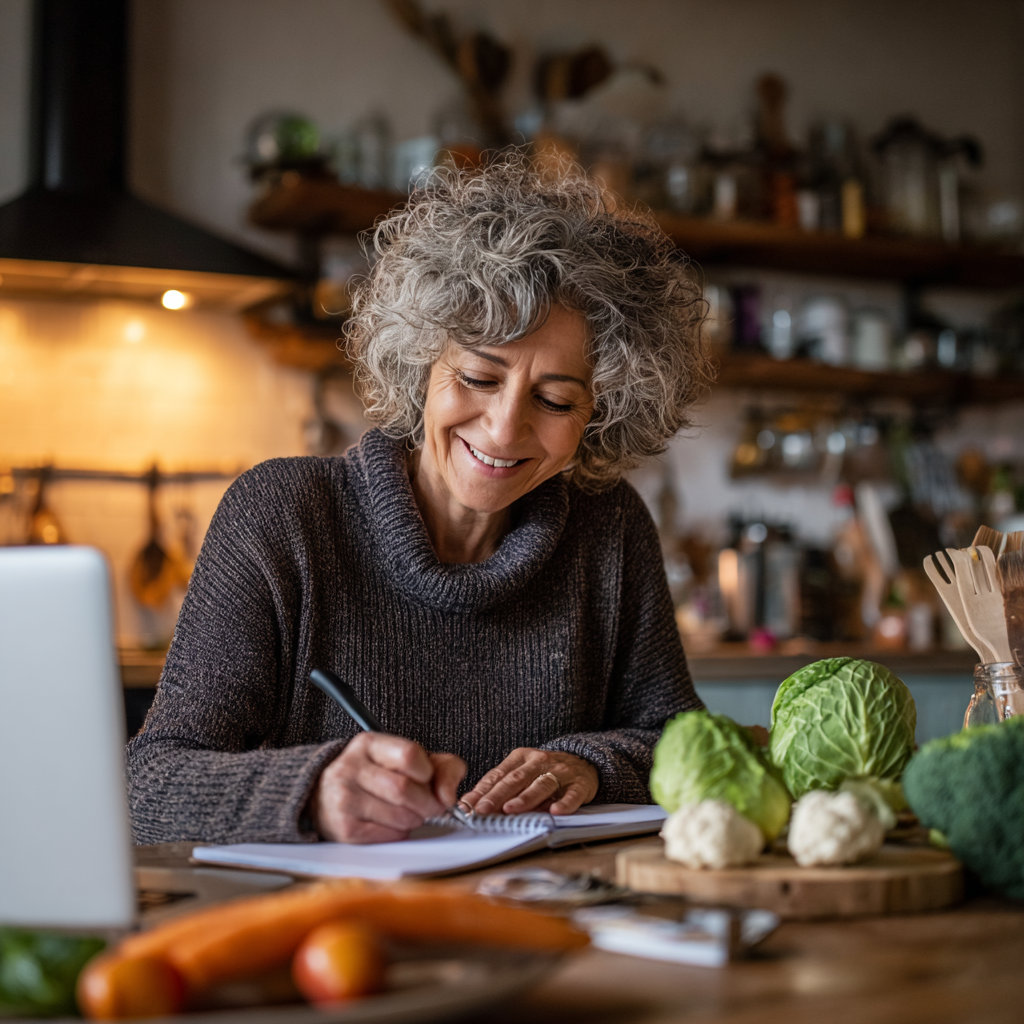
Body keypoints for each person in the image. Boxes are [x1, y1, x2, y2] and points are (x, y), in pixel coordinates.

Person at [127, 155, 711, 845]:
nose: (503, 429)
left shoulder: (609, 528)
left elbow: (682, 746)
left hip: (546, 922)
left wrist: (589, 764)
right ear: (421, 363)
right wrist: (314, 792)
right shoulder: (281, 516)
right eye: (476, 377)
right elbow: (148, 787)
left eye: (555, 399)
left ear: (602, 411)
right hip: (324, 933)